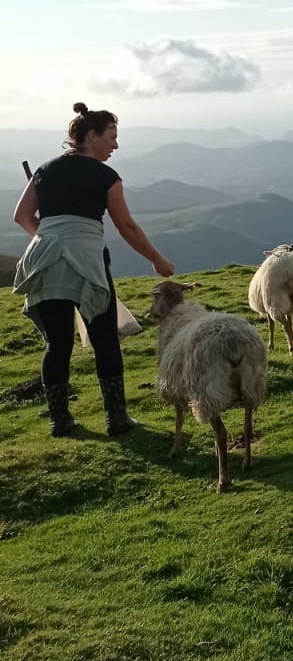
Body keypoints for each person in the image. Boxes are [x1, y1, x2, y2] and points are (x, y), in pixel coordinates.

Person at [12, 102, 175, 438]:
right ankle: (116, 419)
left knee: (57, 345)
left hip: (43, 260)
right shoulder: (106, 176)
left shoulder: (44, 170)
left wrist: (51, 237)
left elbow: (22, 217)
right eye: (111, 136)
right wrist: (157, 259)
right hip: (86, 261)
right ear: (92, 136)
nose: (116, 145)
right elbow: (126, 226)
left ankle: (60, 421)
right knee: (105, 340)